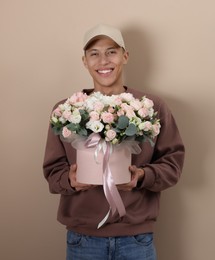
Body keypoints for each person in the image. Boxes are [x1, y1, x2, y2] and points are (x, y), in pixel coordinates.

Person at [42, 24, 185, 260]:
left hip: (137, 239)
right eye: (94, 54)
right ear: (84, 61)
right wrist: (70, 179)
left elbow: (173, 164)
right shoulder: (65, 111)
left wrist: (141, 176)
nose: (103, 61)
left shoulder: (152, 107)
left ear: (125, 56)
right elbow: (52, 170)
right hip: (82, 239)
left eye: (111, 51)